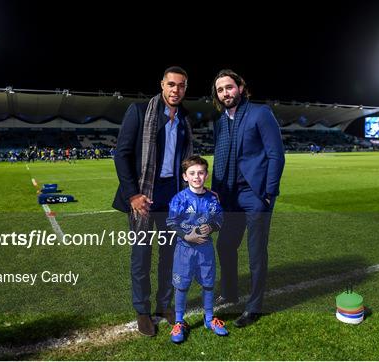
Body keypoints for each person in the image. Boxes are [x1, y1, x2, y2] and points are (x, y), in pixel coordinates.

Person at [112, 66, 194, 336]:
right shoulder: (139, 111)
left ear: (185, 88)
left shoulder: (185, 118)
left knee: (170, 256)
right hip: (144, 196)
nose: (176, 90)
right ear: (161, 85)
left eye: (181, 86)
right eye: (171, 84)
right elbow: (121, 154)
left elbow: (186, 161)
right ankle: (142, 310)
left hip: (173, 196)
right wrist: (133, 194)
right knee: (142, 256)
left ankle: (164, 305)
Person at [211, 69, 285, 327]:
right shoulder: (220, 122)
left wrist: (268, 194)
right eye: (220, 90)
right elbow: (217, 160)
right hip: (229, 196)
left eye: (229, 87)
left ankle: (253, 307)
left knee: (255, 253)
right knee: (225, 245)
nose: (225, 93)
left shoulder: (260, 113)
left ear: (240, 87)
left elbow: (276, 155)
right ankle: (230, 292)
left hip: (255, 195)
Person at [166, 155, 228, 343]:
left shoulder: (212, 198)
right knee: (182, 285)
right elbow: (171, 222)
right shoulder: (179, 199)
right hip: (184, 250)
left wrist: (212, 227)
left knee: (208, 283)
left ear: (206, 175)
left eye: (200, 173)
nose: (196, 177)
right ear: (185, 176)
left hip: (205, 249)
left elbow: (219, 219)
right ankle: (179, 321)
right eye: (192, 173)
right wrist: (186, 235)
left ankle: (209, 319)